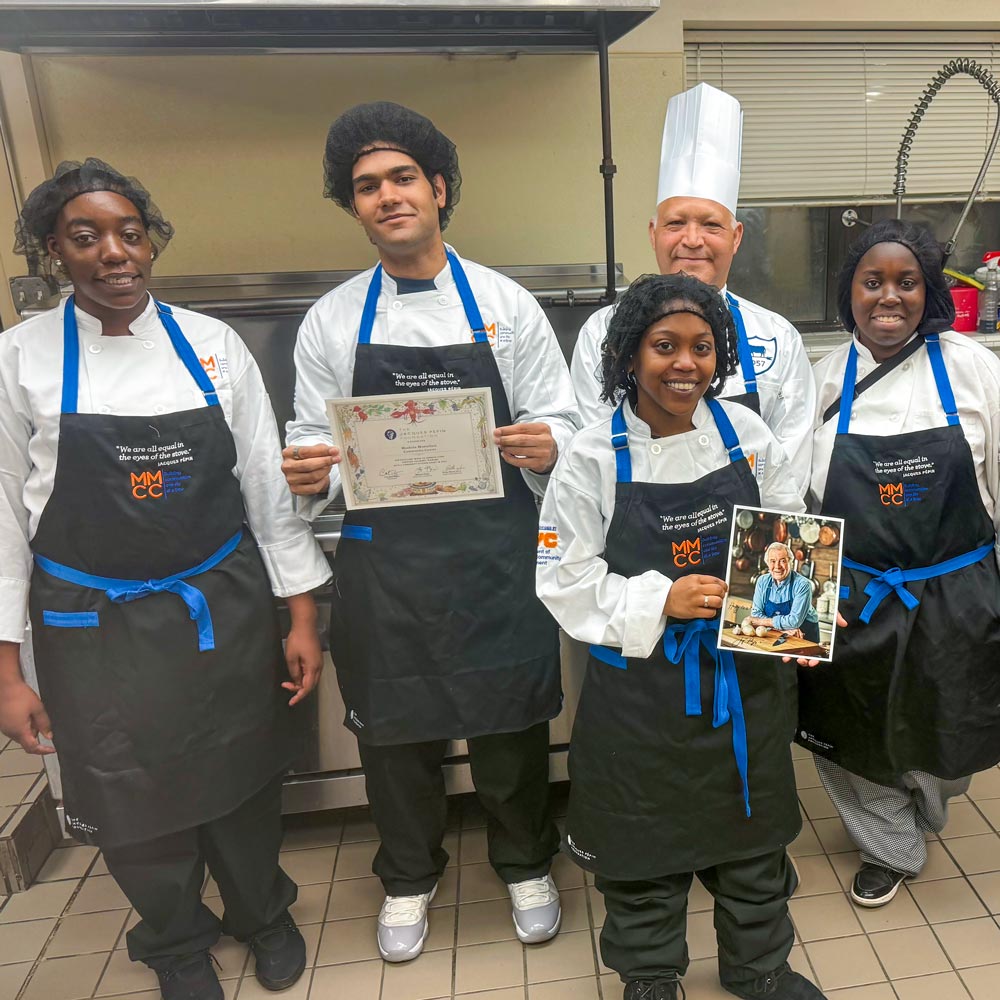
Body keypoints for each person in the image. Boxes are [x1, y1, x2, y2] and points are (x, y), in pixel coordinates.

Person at [0, 159, 332, 1000]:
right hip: (90, 622)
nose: (114, 254)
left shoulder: (213, 346)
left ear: (150, 243)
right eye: (86, 237)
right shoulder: (18, 360)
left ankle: (264, 913)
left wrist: (301, 617)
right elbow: (2, 519)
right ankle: (176, 938)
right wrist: (5, 672)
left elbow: (263, 489)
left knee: (243, 776)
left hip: (218, 608)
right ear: (54, 251)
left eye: (129, 233)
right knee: (126, 789)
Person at [281, 102, 580, 962]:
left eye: (402, 178)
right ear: (356, 207)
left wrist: (547, 441)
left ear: (439, 188)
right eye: (367, 186)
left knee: (510, 727)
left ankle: (526, 861)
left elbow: (561, 416)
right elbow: (314, 434)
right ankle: (409, 876)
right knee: (393, 732)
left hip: (495, 553)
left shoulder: (505, 303)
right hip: (391, 565)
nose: (387, 196)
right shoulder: (335, 319)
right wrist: (312, 466)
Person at [537, 272, 824, 1000]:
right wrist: (662, 598)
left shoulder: (745, 433)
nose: (685, 364)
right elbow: (562, 578)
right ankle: (650, 973)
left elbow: (787, 527)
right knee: (641, 850)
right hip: (640, 694)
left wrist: (807, 597)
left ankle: (759, 968)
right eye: (665, 346)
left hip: (744, 684)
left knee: (753, 843)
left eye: (702, 347)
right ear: (629, 355)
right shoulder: (594, 455)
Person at [797, 218, 1000, 908]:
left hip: (957, 590)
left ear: (928, 291)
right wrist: (787, 621)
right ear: (848, 292)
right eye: (873, 281)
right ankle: (889, 843)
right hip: (854, 595)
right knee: (851, 732)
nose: (890, 296)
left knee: (950, 725)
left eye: (906, 281)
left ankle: (927, 800)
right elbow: (794, 500)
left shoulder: (972, 369)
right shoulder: (822, 383)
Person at [570, 83, 814, 498]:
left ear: (736, 237)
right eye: (676, 223)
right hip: (635, 547)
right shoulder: (602, 332)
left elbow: (785, 473)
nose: (692, 240)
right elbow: (593, 454)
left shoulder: (778, 337)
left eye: (711, 225)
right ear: (653, 234)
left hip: (743, 546)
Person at [746, 541, 821, 642]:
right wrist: (782, 629)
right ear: (767, 563)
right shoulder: (762, 581)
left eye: (782, 561)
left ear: (791, 562)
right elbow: (756, 614)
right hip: (776, 635)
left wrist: (760, 621)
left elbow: (794, 621)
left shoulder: (803, 585)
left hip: (804, 636)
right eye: (772, 561)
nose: (777, 566)